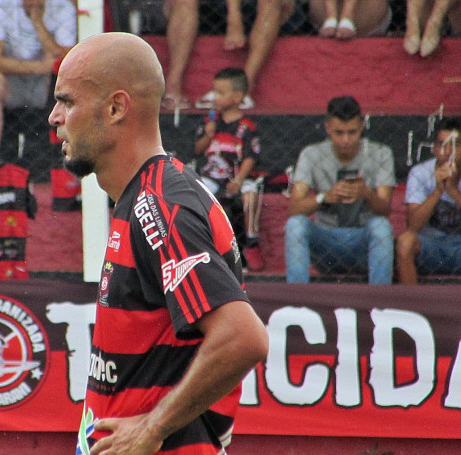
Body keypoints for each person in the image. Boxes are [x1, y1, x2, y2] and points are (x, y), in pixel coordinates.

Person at [48, 32, 268, 454]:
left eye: (67, 101)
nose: (54, 117)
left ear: (115, 108)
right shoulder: (146, 197)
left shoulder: (159, 207)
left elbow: (243, 338)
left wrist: (151, 429)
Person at [0, 0, 75, 169]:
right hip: (13, 84)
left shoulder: (62, 7)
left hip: (49, 86)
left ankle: (65, 164)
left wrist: (38, 22)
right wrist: (41, 66)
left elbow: (65, 61)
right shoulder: (0, 5)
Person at [285, 96, 395, 284]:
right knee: (295, 225)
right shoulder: (311, 154)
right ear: (328, 128)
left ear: (361, 125)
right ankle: (297, 300)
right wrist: (324, 197)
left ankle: (380, 301)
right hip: (325, 241)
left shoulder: (380, 153)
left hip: (363, 242)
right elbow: (294, 208)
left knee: (382, 227)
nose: (346, 140)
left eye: (352, 132)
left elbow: (385, 210)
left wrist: (367, 194)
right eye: (339, 132)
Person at [192, 68, 264, 271]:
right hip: (213, 175)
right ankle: (203, 245)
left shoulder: (245, 126)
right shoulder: (209, 121)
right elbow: (197, 149)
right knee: (198, 194)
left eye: (221, 93)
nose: (216, 97)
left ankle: (251, 243)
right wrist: (208, 135)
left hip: (238, 177)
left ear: (237, 97)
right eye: (215, 91)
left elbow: (250, 157)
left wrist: (239, 180)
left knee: (250, 195)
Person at [396, 117, 461, 284]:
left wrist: (453, 191)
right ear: (433, 148)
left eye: (454, 145)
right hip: (431, 246)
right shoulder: (420, 173)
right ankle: (411, 306)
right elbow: (413, 225)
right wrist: (438, 191)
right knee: (405, 241)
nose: (448, 152)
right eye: (442, 145)